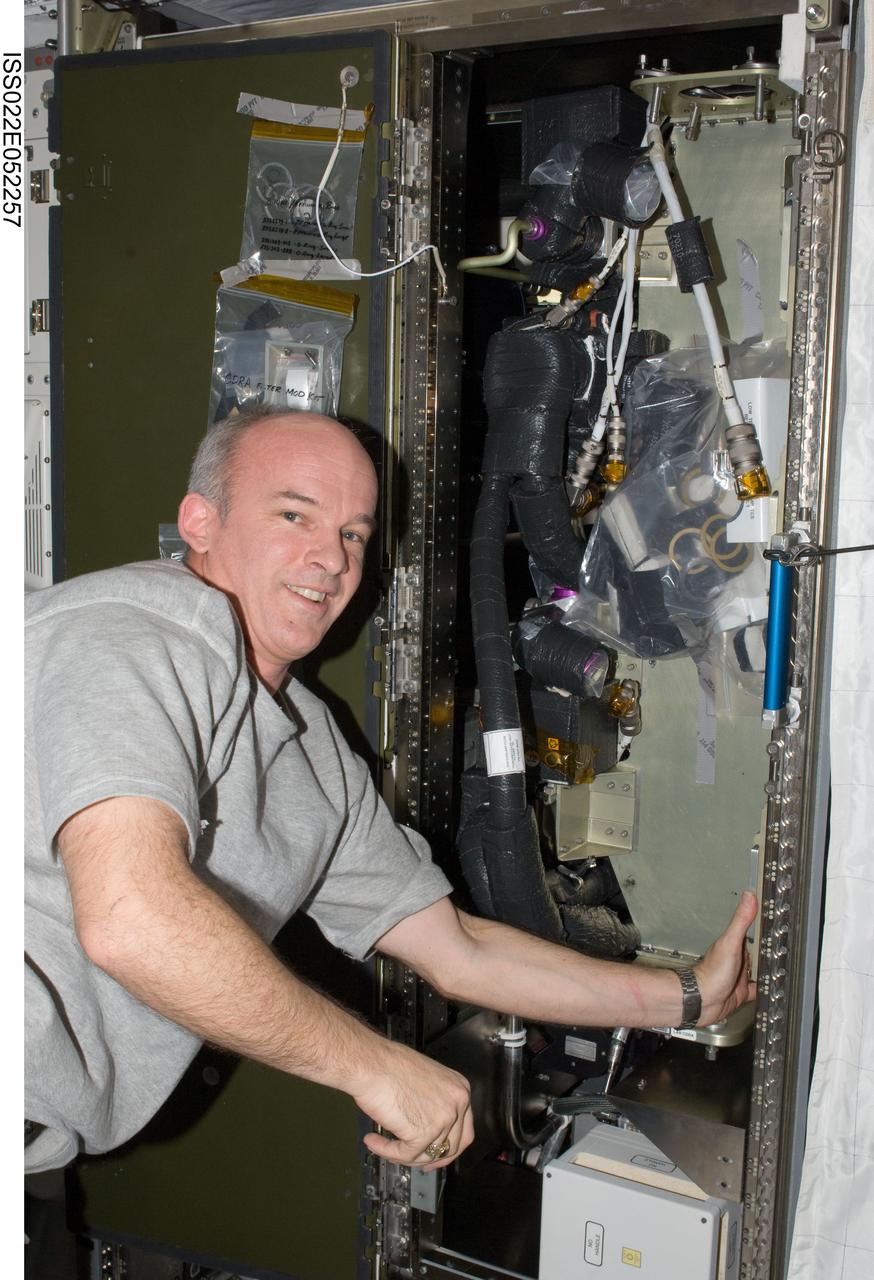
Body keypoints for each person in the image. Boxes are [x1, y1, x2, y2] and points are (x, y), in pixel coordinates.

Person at [24, 408, 757, 1177]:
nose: (329, 559)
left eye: (353, 534)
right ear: (200, 522)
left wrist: (686, 998)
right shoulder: (125, 637)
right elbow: (131, 917)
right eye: (293, 514)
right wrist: (374, 1066)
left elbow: (460, 951)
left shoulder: (309, 747)